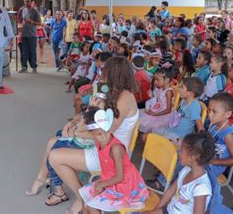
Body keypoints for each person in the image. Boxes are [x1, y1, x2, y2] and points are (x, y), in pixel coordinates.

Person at [41, 57, 139, 213]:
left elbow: (104, 134)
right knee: (56, 141)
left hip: (111, 155)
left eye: (105, 72)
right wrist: (76, 125)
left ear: (113, 75)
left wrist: (79, 130)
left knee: (55, 156)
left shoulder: (125, 98)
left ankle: (83, 198)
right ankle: (82, 197)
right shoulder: (115, 92)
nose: (101, 75)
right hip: (101, 147)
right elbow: (95, 123)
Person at [78, 105, 149, 213]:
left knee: (91, 205)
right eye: (98, 134)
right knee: (84, 197)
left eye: (106, 131)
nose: (104, 136)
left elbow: (120, 177)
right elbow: (81, 129)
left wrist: (102, 184)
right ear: (92, 134)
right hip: (109, 179)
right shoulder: (98, 141)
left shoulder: (115, 148)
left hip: (124, 185)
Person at [143, 132, 214, 214]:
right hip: (169, 211)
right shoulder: (186, 170)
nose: (179, 153)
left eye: (181, 151)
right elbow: (170, 192)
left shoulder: (201, 187)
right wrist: (155, 210)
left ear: (192, 158)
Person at [139, 68, 175, 134]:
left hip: (165, 114)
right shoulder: (161, 88)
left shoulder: (168, 92)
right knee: (144, 115)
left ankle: (148, 135)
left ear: (166, 80)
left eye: (157, 80)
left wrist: (155, 114)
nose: (155, 82)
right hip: (158, 108)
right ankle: (145, 133)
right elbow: (158, 99)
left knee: (150, 121)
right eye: (155, 79)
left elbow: (168, 109)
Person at [19, 0, 41, 74]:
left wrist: (31, 21)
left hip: (32, 35)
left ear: (31, 2)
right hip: (24, 35)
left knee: (32, 52)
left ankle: (34, 67)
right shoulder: (23, 10)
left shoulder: (35, 12)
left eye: (27, 1)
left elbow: (39, 23)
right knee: (25, 52)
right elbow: (21, 22)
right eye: (25, 1)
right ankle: (24, 67)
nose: (26, 3)